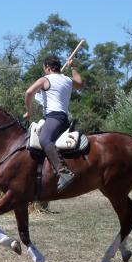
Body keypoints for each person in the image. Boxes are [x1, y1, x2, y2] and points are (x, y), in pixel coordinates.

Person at [24, 55, 84, 192]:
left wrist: (28, 111)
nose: (44, 70)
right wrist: (73, 67)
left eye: (44, 68)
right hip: (63, 119)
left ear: (48, 67)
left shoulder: (45, 79)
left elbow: (28, 92)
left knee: (44, 139)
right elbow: (80, 84)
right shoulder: (68, 80)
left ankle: (63, 172)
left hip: (54, 118)